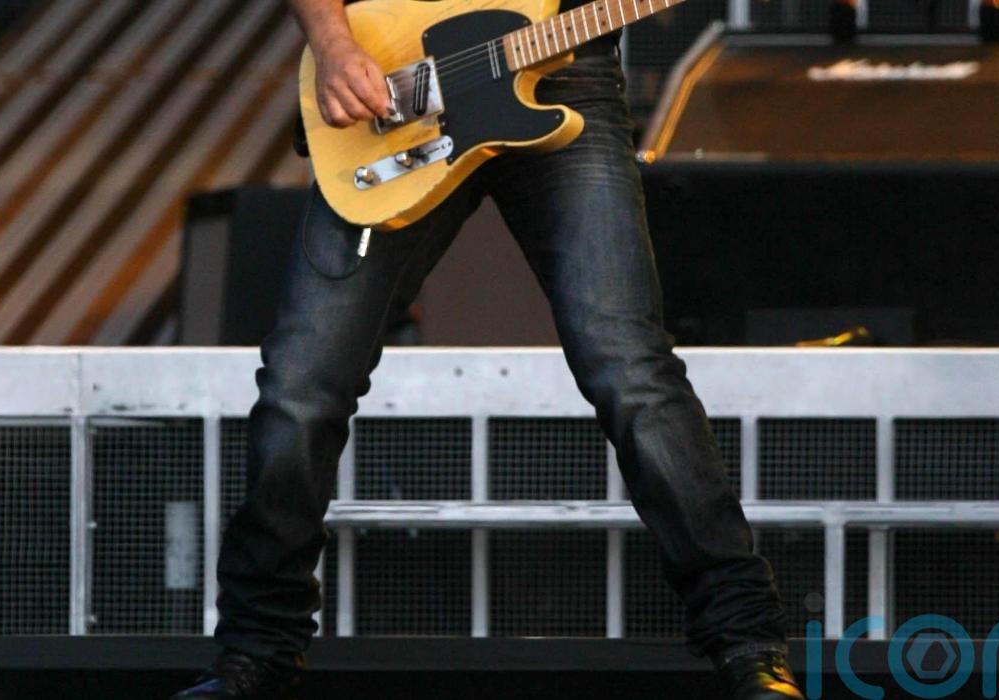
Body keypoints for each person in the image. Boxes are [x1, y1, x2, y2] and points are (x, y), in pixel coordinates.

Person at [171, 0, 801, 698]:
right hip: (397, 68)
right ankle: (255, 653)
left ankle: (747, 642)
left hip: (565, 67)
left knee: (629, 368)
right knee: (302, 381)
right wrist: (332, 43)